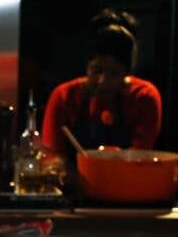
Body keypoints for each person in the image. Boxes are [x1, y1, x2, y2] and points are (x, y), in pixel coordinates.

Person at [42, 9, 162, 152]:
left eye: (114, 73)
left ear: (127, 73)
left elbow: (139, 157)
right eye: (97, 70)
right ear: (86, 67)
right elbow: (52, 157)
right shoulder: (64, 97)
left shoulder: (143, 96)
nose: (103, 81)